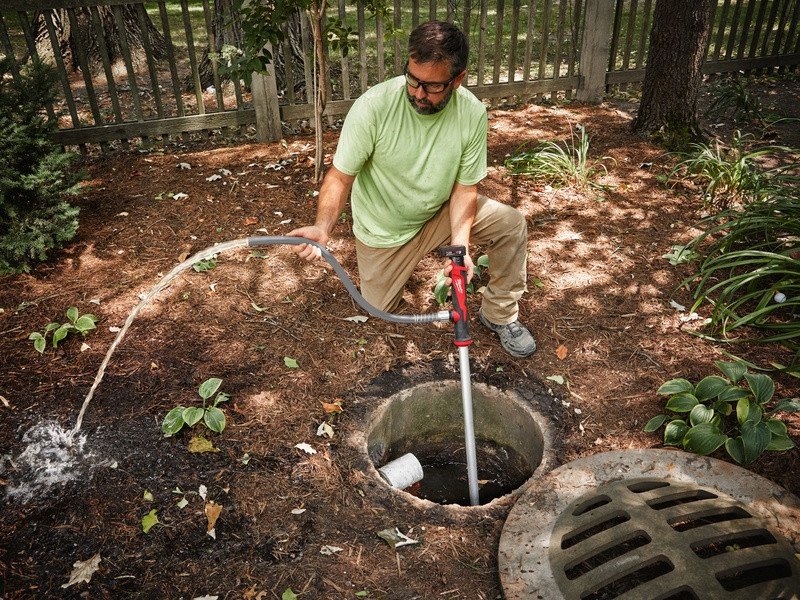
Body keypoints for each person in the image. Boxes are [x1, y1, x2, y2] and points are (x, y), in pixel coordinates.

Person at [288, 20, 535, 358]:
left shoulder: (472, 113)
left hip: (439, 210)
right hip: (384, 232)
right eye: (413, 79)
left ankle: (500, 314)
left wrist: (460, 249)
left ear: (458, 79)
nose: (418, 93)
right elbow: (340, 177)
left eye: (432, 86)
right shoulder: (374, 107)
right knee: (378, 308)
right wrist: (323, 227)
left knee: (511, 224)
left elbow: (465, 189)